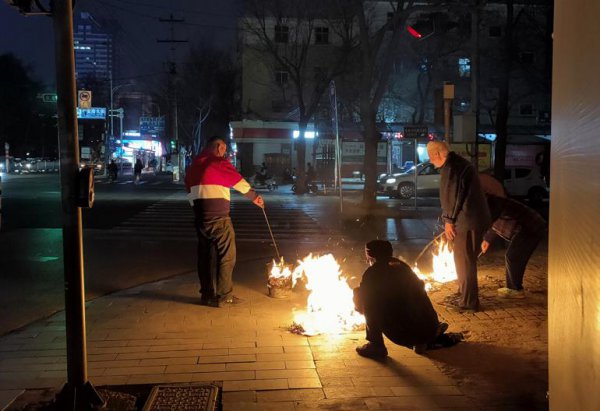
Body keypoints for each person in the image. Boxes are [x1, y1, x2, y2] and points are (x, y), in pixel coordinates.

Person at [185, 136, 265, 307]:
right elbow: (238, 181)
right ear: (219, 146)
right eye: (225, 149)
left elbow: (190, 194)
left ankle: (206, 295)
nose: (226, 153)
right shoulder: (217, 163)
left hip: (201, 218)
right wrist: (255, 197)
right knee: (227, 256)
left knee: (205, 258)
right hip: (219, 218)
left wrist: (198, 211)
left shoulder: (193, 168)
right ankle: (224, 296)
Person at [353, 240, 449, 359]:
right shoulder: (403, 267)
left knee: (361, 295)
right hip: (431, 326)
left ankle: (376, 345)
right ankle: (423, 338)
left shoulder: (371, 274)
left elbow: (368, 306)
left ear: (370, 256)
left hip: (402, 333)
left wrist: (361, 306)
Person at [427, 141, 491, 313]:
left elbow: (453, 197)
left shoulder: (451, 168)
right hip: (472, 219)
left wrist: (449, 221)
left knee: (464, 262)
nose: (431, 162)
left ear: (438, 154)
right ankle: (466, 296)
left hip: (467, 220)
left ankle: (468, 302)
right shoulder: (460, 164)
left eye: (431, 158)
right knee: (466, 260)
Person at [481, 194, 547, 298]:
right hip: (527, 227)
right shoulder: (490, 204)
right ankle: (513, 287)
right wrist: (487, 240)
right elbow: (493, 224)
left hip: (530, 227)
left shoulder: (494, 203)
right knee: (514, 256)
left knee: (513, 256)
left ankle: (515, 290)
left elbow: (488, 221)